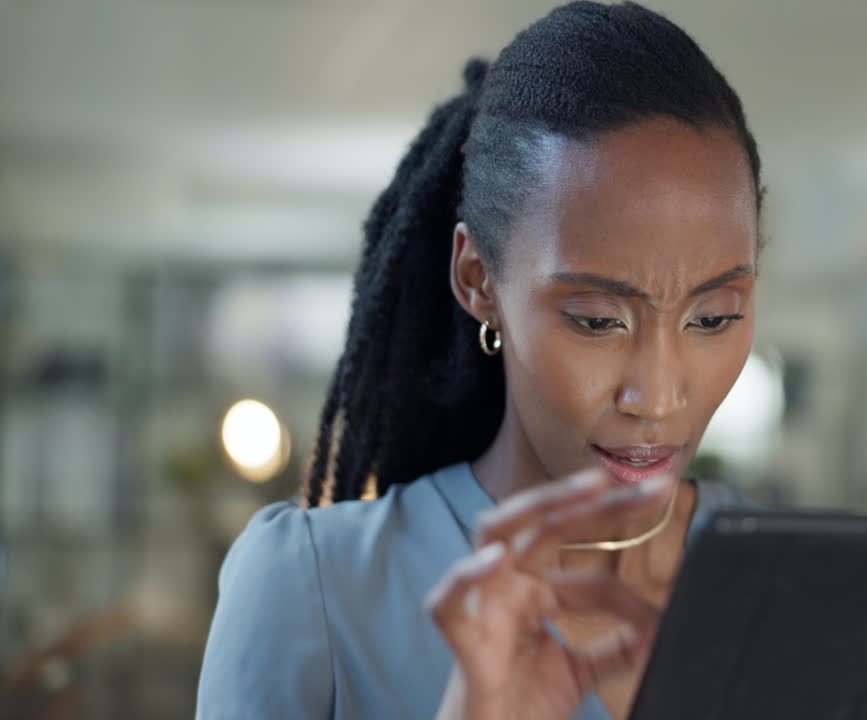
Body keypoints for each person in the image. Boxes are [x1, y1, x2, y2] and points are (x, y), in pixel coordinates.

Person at [196, 2, 764, 718]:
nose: (656, 396)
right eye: (596, 320)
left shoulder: (800, 582)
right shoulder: (315, 588)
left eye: (712, 318)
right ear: (479, 282)